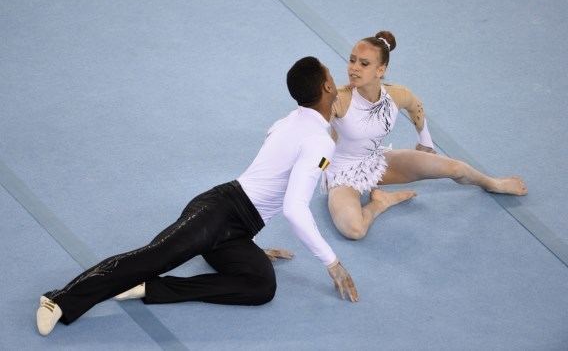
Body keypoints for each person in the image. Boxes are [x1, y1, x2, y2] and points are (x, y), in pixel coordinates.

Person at [36, 56, 358, 337]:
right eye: (332, 75)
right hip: (215, 213)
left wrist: (250, 246)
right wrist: (332, 262)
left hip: (239, 229)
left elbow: (271, 160)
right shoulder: (320, 142)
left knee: (262, 286)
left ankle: (153, 288)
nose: (338, 80)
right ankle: (60, 299)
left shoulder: (291, 120)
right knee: (151, 257)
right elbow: (294, 207)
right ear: (327, 88)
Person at [326, 31, 528, 240]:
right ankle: (380, 203)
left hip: (377, 163)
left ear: (380, 69)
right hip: (342, 175)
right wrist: (321, 167)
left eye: (364, 63)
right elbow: (317, 137)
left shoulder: (396, 94)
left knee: (455, 167)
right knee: (354, 230)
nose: (354, 68)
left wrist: (425, 141)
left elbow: (416, 107)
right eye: (352, 60)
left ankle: (493, 184)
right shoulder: (339, 100)